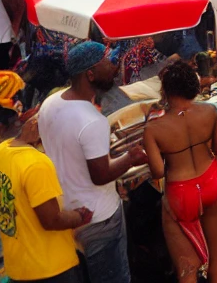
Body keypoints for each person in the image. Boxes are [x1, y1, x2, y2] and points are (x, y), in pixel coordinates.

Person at [37, 42, 146, 283]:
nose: (114, 67)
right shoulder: (92, 121)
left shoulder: (50, 103)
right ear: (90, 74)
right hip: (100, 219)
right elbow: (101, 174)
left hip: (68, 211)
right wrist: (131, 157)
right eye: (108, 62)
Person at [143, 59, 217, 283]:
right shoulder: (210, 111)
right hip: (212, 181)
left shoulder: (152, 129)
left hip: (181, 192)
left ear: (166, 91)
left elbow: (158, 171)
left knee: (187, 270)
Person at [0, 108, 91, 283]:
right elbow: (52, 220)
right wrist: (79, 216)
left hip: (18, 268)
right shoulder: (36, 164)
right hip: (52, 270)